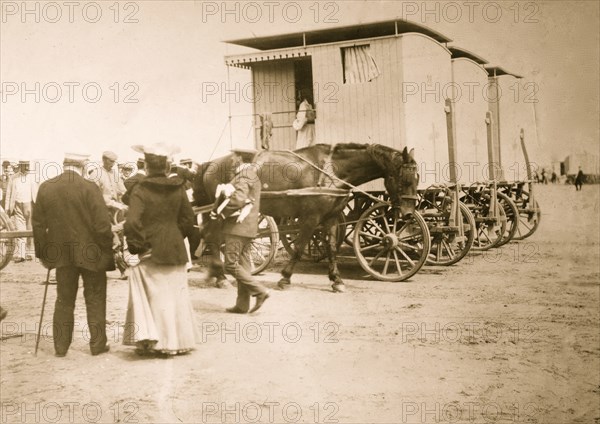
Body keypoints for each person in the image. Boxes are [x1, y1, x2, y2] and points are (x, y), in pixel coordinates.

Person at [32, 153, 114, 357]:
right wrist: (106, 249)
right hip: (92, 253)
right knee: (95, 297)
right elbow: (103, 226)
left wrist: (43, 254)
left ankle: (60, 347)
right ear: (83, 166)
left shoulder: (46, 187)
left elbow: (38, 225)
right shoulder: (90, 187)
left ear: (65, 165)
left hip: (61, 255)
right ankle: (97, 345)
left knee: (64, 299)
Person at [122, 142, 198, 356]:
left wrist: (138, 246)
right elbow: (188, 219)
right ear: (166, 166)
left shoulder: (140, 189)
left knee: (155, 297)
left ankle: (154, 342)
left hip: (151, 249)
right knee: (175, 296)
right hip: (174, 248)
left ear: (146, 166)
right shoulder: (179, 187)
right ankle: (177, 342)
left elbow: (132, 222)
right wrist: (174, 236)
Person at [216, 161, 270, 314]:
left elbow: (238, 199)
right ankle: (242, 305)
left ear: (241, 159)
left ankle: (260, 291)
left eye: (235, 158)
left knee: (230, 264)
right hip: (249, 228)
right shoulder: (253, 176)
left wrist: (220, 212)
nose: (232, 162)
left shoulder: (243, 177)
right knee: (244, 266)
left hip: (236, 228)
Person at [5, 160, 38, 262]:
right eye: (25, 166)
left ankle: (28, 253)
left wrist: (38, 206)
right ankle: (22, 254)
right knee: (20, 229)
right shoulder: (13, 178)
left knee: (29, 230)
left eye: (28, 165)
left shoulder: (31, 178)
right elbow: (9, 193)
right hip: (17, 205)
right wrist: (7, 207)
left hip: (29, 205)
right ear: (20, 166)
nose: (27, 167)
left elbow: (36, 193)